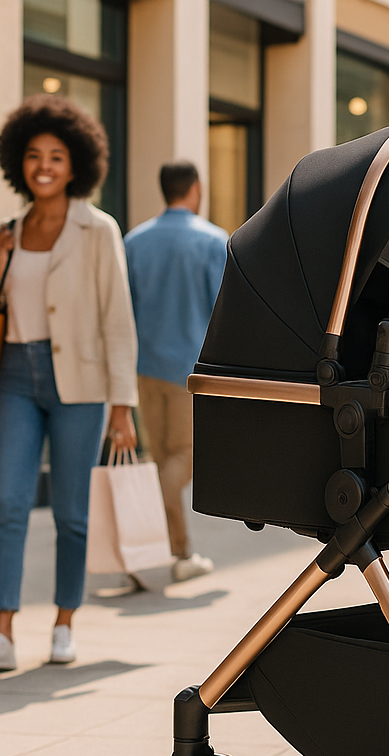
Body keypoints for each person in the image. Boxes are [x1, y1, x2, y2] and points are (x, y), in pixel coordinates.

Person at [0, 95, 138, 672]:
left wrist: (122, 404)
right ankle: (2, 633)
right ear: (19, 162)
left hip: (79, 385)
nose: (44, 165)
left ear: (75, 164)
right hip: (14, 375)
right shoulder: (5, 231)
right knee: (8, 506)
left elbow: (117, 318)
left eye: (56, 156)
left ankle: (65, 621)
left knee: (70, 511)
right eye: (34, 155)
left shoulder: (97, 230)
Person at [123, 161, 228, 581]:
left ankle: (177, 554)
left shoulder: (134, 241)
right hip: (190, 370)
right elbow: (224, 313)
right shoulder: (212, 240)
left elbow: (124, 310)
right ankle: (147, 543)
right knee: (184, 458)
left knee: (163, 458)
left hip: (144, 367)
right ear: (196, 189)